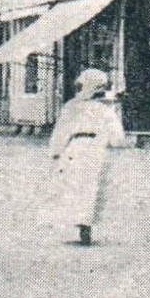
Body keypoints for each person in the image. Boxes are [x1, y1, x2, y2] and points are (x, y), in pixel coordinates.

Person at [47, 69, 125, 247]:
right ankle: (85, 224)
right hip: (96, 148)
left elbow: (61, 131)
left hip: (76, 147)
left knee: (77, 185)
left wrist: (56, 151)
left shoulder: (72, 107)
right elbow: (117, 136)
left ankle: (82, 223)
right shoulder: (104, 110)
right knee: (90, 186)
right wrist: (110, 142)